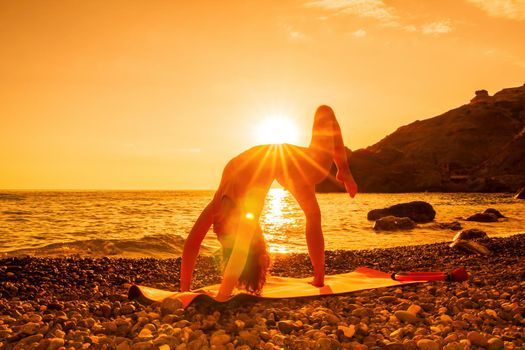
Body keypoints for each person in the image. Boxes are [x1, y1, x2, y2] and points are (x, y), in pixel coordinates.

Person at [179, 105, 358, 301]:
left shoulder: (218, 206)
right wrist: (215, 294)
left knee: (313, 215)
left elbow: (192, 244)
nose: (215, 230)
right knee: (324, 113)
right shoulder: (247, 209)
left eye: (218, 233)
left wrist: (186, 290)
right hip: (289, 164)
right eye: (221, 234)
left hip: (290, 162)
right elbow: (232, 253)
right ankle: (319, 278)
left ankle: (344, 171)